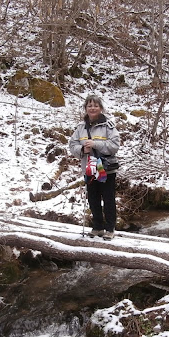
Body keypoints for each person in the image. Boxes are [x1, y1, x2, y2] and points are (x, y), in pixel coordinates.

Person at [69, 94, 120, 240]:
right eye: (89, 106)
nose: (92, 108)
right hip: (90, 166)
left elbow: (114, 146)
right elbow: (72, 145)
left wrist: (96, 144)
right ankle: (97, 227)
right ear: (85, 108)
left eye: (95, 106)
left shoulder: (108, 126)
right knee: (93, 198)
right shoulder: (80, 127)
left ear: (101, 108)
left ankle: (110, 228)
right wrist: (81, 150)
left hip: (104, 167)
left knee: (108, 198)